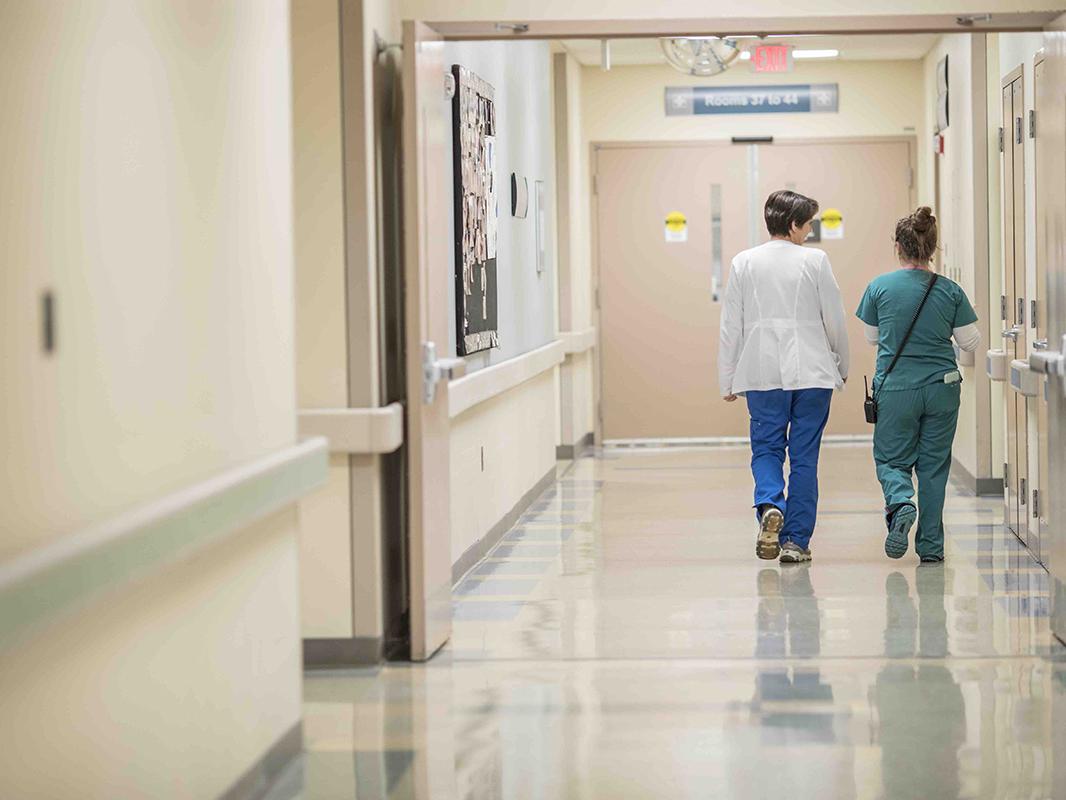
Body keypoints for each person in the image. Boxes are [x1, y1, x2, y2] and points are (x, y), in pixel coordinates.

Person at [719, 190, 850, 564]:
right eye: (808, 224)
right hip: (812, 372)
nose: (809, 232)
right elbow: (834, 318)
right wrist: (840, 366)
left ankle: (769, 504)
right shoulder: (816, 260)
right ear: (793, 224)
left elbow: (732, 325)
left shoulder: (744, 262)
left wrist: (727, 378)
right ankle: (795, 541)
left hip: (761, 372)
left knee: (766, 449)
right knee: (805, 457)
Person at [855, 207, 980, 562]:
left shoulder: (879, 287)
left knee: (891, 459)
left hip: (896, 388)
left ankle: (899, 501)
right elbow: (970, 342)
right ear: (933, 248)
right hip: (942, 387)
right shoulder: (950, 290)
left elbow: (871, 337)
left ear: (898, 246)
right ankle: (931, 548)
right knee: (934, 467)